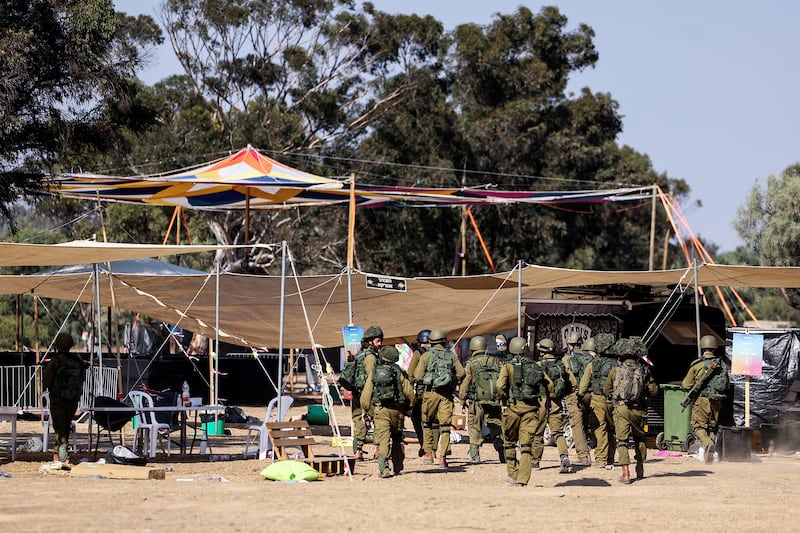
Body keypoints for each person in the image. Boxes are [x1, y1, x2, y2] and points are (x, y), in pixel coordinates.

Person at [496, 336, 552, 486]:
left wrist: (503, 398)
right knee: (526, 445)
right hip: (531, 410)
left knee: (509, 441)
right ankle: (523, 479)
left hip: (513, 409)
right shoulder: (535, 365)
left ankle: (513, 473)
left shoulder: (507, 366)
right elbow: (550, 384)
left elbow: (500, 386)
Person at [604, 338, 658, 483]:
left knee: (622, 441)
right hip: (639, 410)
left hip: (622, 409)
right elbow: (653, 391)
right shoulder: (644, 370)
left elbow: (606, 389)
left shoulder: (616, 370)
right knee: (640, 439)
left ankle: (626, 473)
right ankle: (640, 469)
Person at [361, 345, 415, 477]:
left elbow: (365, 396)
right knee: (397, 438)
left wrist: (366, 411)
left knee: (383, 439)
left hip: (381, 410)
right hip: (398, 411)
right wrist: (410, 407)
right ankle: (398, 466)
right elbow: (409, 393)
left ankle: (384, 469)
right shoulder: (399, 372)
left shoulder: (374, 372)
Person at [413, 329, 465, 468]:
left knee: (427, 423)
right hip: (446, 395)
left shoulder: (426, 356)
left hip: (430, 393)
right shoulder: (451, 356)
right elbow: (461, 373)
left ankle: (429, 454)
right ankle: (443, 457)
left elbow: (417, 376)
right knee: (445, 427)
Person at [681, 335, 730, 463]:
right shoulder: (722, 365)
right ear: (714, 348)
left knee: (698, 426)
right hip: (717, 400)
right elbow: (727, 385)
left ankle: (708, 444)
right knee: (712, 427)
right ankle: (711, 454)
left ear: (703, 347)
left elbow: (686, 385)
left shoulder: (697, 365)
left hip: (702, 400)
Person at [42, 332, 87, 464]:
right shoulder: (77, 361)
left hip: (58, 400)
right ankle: (61, 454)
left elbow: (46, 382)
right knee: (65, 427)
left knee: (59, 427)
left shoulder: (55, 362)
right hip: (72, 400)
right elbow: (82, 378)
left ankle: (60, 455)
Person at [458, 335, 504, 463]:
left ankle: (475, 455)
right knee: (496, 426)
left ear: (473, 348)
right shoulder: (496, 362)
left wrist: (462, 400)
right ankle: (502, 451)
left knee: (474, 427)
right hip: (494, 400)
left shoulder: (471, 364)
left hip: (476, 401)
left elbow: (465, 384)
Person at [578, 332, 618, 469]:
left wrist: (580, 396)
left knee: (599, 428)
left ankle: (601, 460)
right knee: (612, 430)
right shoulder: (618, 364)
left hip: (597, 400)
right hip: (614, 402)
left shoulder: (593, 364)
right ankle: (611, 457)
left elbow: (583, 385)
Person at [532, 338, 572, 473]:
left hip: (541, 401)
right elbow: (572, 383)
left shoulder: (537, 365)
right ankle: (564, 456)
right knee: (558, 431)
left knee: (538, 431)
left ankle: (535, 462)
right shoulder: (561, 365)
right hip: (556, 401)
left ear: (542, 351)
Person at [561, 332, 593, 466]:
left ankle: (583, 456)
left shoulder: (567, 359)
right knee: (590, 423)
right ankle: (601, 455)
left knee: (577, 424)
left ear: (570, 345)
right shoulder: (591, 357)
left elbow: (566, 377)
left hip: (574, 394)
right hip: (590, 393)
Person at [350, 326, 382, 460]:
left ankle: (358, 451)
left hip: (357, 392)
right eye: (378, 341)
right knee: (378, 421)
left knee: (359, 420)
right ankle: (379, 450)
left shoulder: (359, 355)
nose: (380, 344)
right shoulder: (371, 357)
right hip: (368, 394)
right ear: (370, 341)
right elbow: (372, 377)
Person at [406, 329, 431, 457]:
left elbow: (411, 374)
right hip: (439, 393)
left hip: (422, 393)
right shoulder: (441, 353)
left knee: (417, 418)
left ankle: (425, 445)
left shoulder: (418, 353)